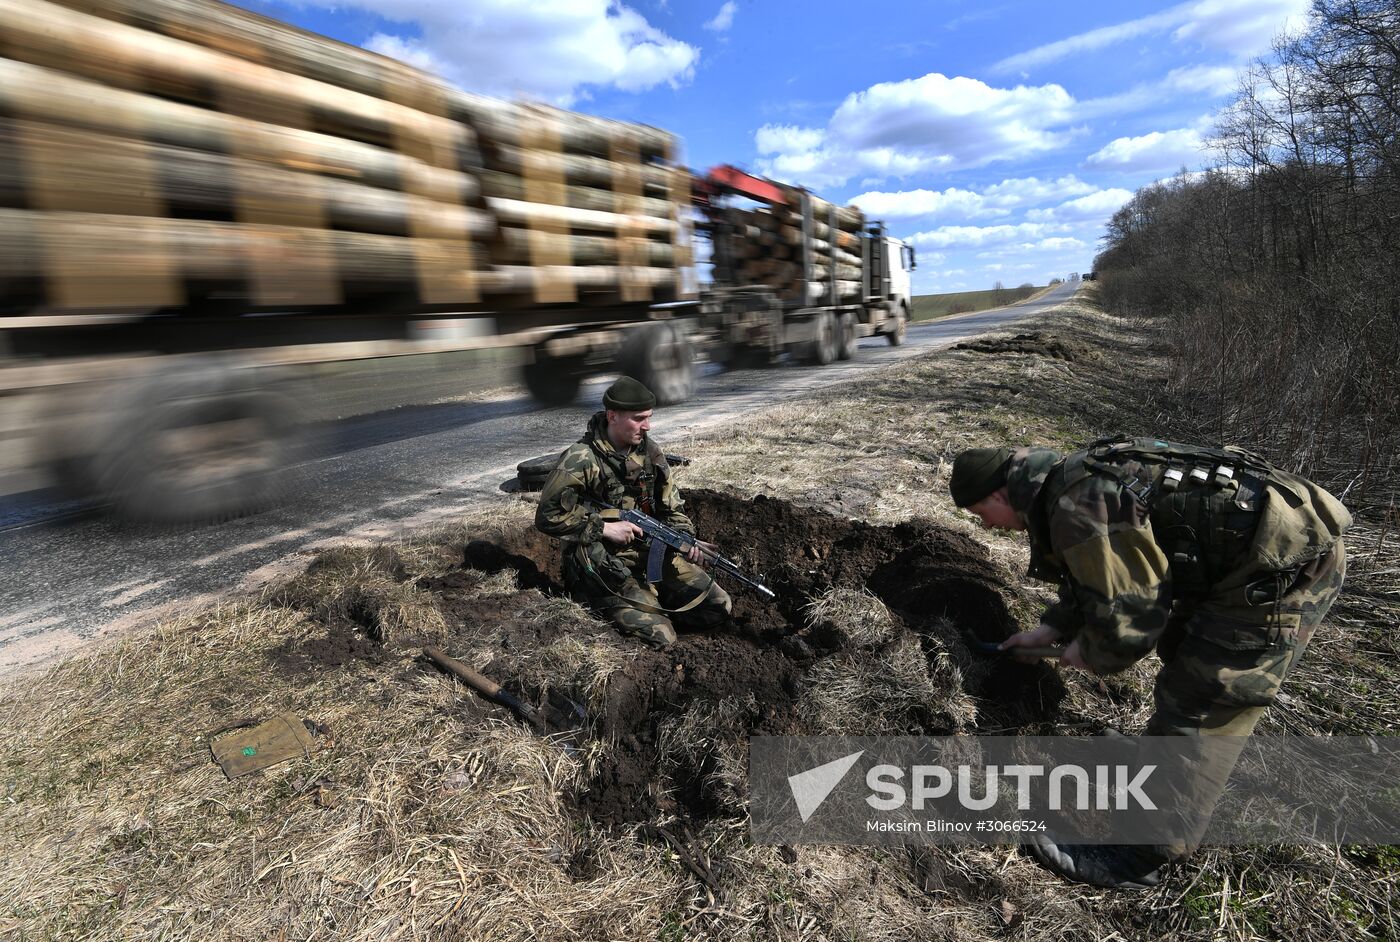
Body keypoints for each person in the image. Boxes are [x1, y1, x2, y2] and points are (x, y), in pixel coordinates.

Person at [950, 436, 1351, 889]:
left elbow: (1132, 619)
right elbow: (1102, 568)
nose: (989, 526)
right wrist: (1054, 629)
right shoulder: (1067, 480)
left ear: (1000, 495)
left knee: (1202, 701)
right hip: (1253, 550)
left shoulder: (1076, 501)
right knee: (1183, 651)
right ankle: (1158, 764)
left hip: (1282, 564)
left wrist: (1093, 651)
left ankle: (1144, 855)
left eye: (982, 514)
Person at [535, 376, 732, 648]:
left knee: (718, 606)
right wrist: (604, 528)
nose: (647, 426)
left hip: (650, 553)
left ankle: (651, 602)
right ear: (612, 416)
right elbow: (547, 516)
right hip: (602, 564)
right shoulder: (580, 459)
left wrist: (684, 539)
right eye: (638, 418)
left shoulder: (650, 453)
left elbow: (672, 509)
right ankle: (601, 604)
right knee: (663, 636)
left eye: (649, 417)